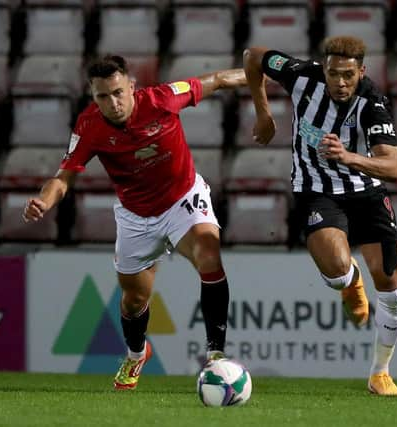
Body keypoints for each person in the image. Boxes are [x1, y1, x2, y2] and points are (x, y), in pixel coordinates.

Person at [23, 55, 246, 390]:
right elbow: (62, 177)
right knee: (134, 299)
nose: (112, 103)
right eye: (102, 97)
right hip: (136, 217)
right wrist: (44, 200)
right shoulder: (89, 126)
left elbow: (217, 80)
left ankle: (216, 355)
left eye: (117, 92)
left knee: (208, 253)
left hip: (183, 200)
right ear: (92, 96)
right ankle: (136, 353)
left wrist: (268, 73)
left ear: (131, 86)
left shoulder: (163, 99)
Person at [243, 36, 397, 396]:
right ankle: (349, 282)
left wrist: (348, 157)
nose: (340, 82)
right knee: (335, 270)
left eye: (348, 75)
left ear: (361, 71)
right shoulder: (301, 75)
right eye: (333, 74)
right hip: (315, 189)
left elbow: (394, 167)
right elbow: (253, 57)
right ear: (324, 69)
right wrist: (263, 112)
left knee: (390, 283)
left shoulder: (373, 102)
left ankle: (380, 373)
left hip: (365, 190)